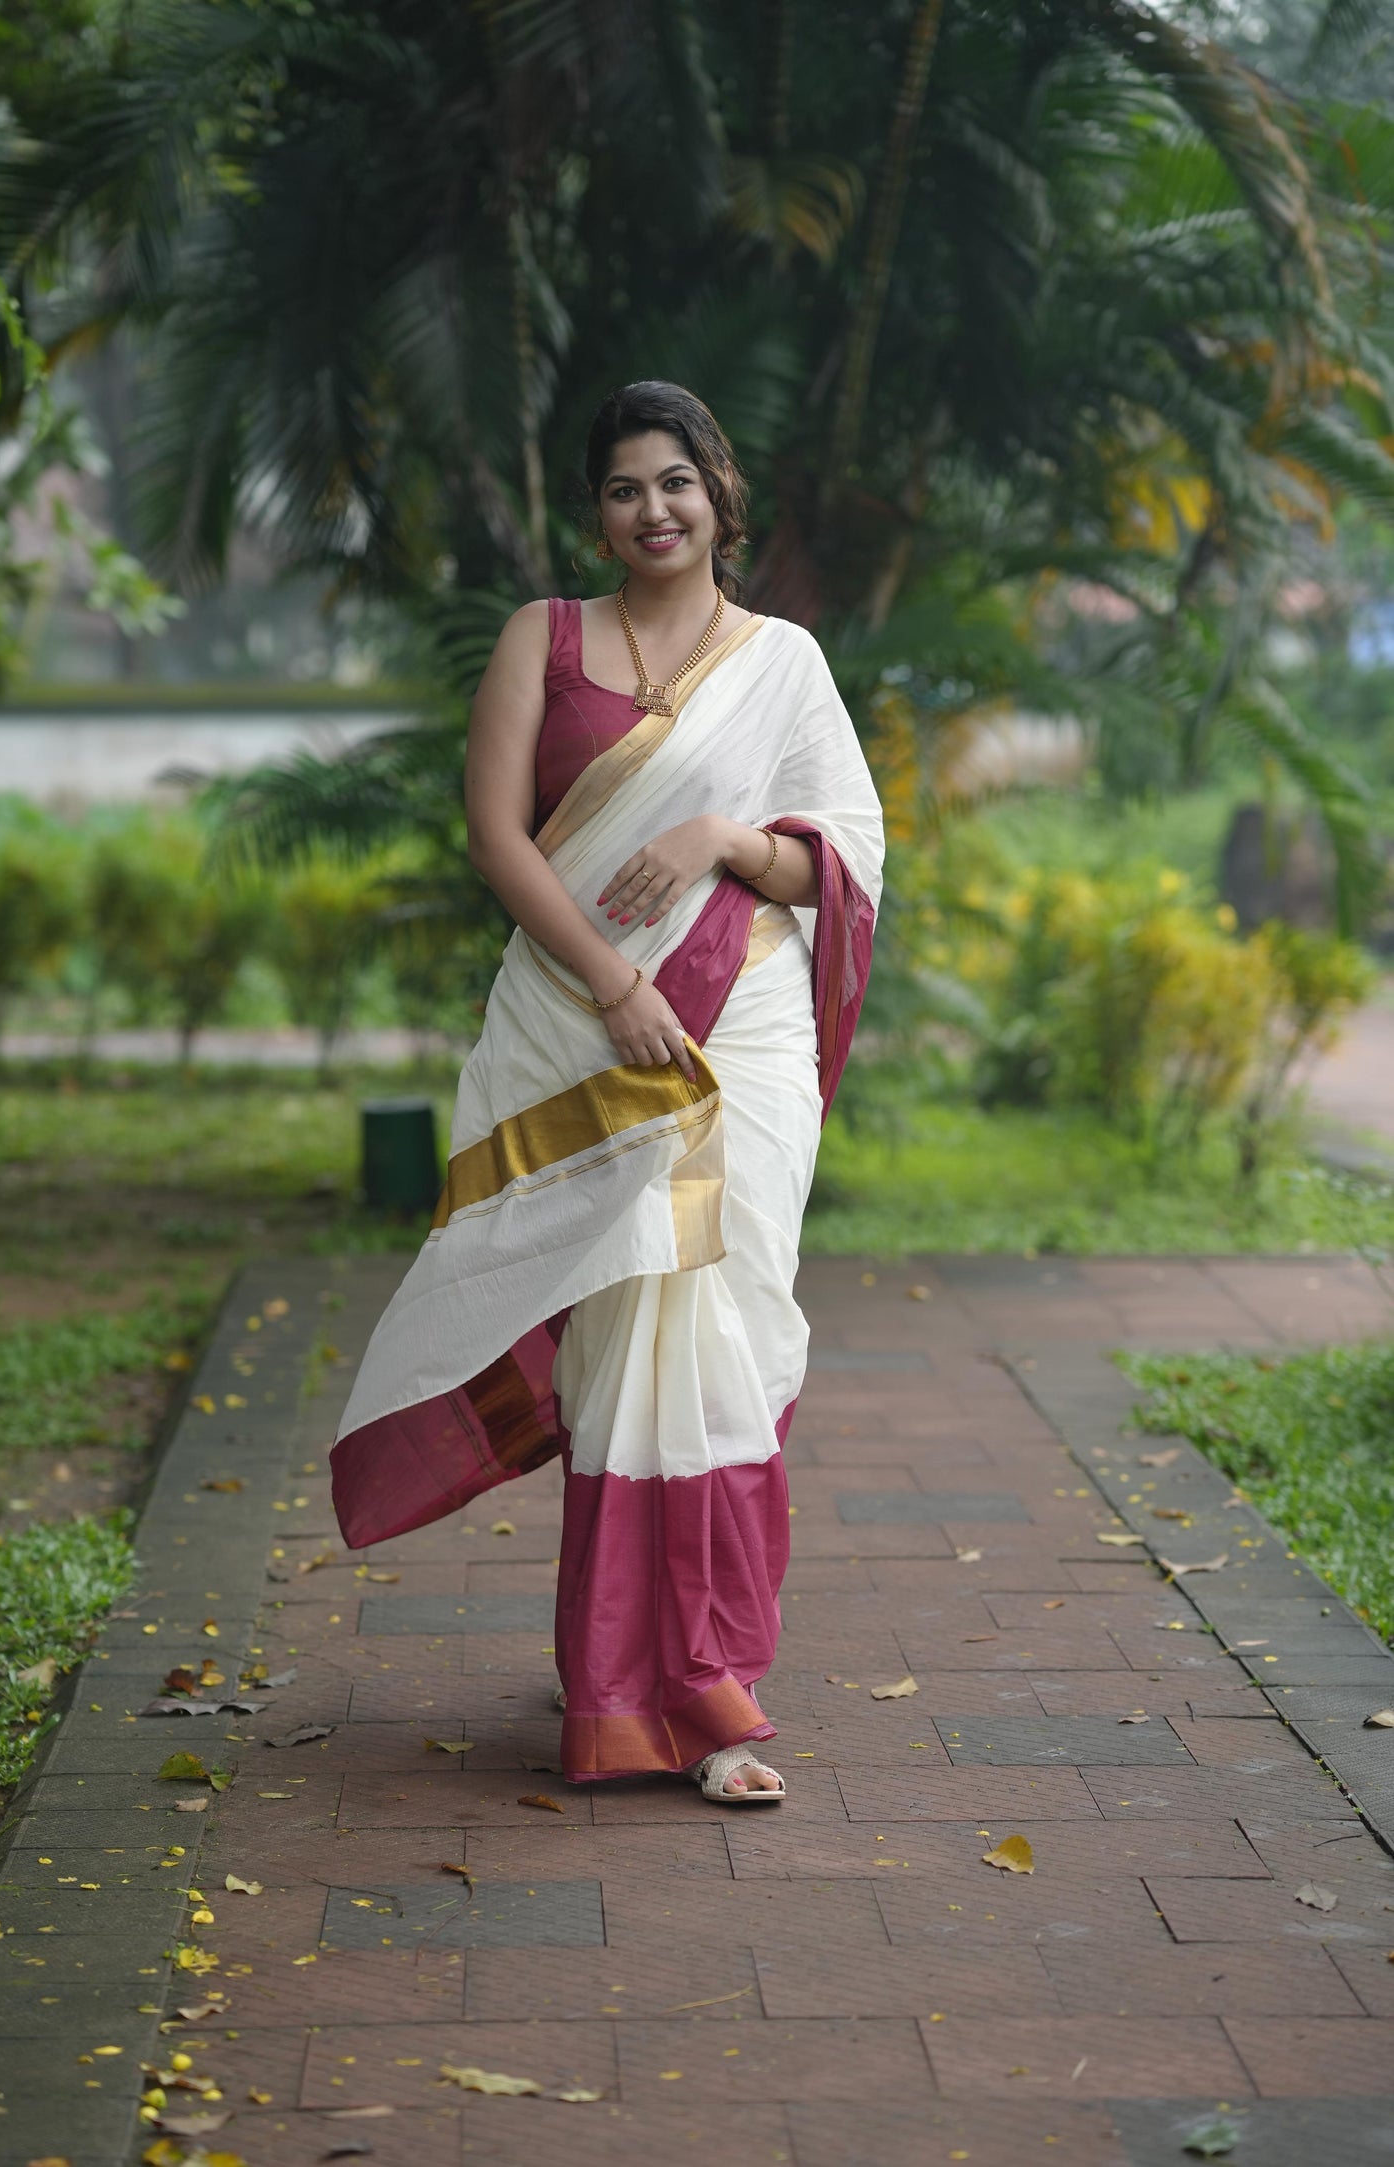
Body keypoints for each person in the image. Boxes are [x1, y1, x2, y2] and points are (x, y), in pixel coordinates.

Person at [331, 380, 884, 1803]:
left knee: (724, 1312)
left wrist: (718, 833)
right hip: (581, 1021)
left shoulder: (785, 663)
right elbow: (496, 839)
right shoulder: (544, 639)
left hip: (740, 1026)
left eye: (677, 483)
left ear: (720, 492)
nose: (654, 510)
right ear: (597, 511)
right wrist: (613, 983)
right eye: (626, 488)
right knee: (621, 1337)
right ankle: (626, 1691)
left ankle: (708, 1682)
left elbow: (842, 855)